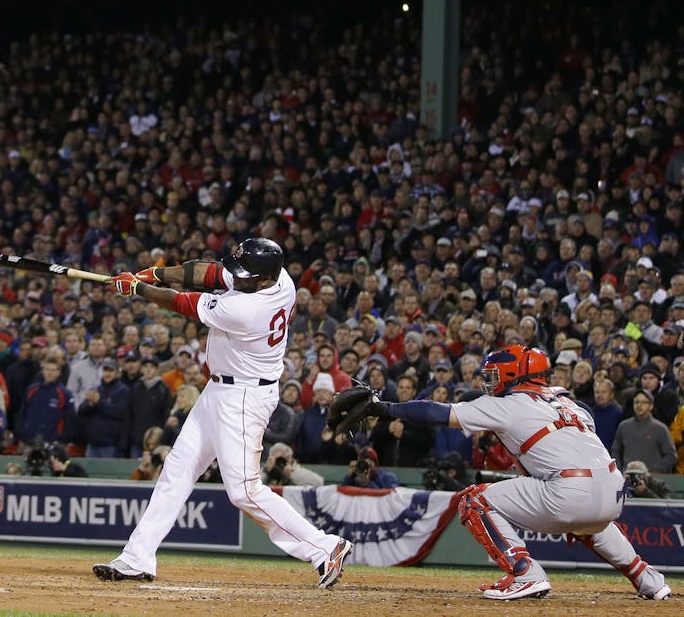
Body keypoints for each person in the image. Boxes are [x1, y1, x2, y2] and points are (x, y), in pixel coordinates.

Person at [93, 240, 353, 590]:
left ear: (262, 279)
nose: (235, 276)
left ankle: (324, 547)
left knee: (244, 491)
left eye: (244, 274)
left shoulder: (247, 309)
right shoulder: (278, 280)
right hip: (220, 389)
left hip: (244, 397)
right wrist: (153, 272)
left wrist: (138, 288)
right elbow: (207, 271)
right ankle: (137, 556)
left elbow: (181, 301)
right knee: (178, 469)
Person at [361, 344, 671, 600]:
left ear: (513, 374)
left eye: (494, 375)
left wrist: (384, 408)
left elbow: (433, 411)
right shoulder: (567, 401)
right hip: (613, 492)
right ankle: (647, 578)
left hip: (570, 491)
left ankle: (524, 571)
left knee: (473, 500)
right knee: (590, 521)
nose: (490, 381)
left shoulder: (509, 404)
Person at [611, 389, 676, 473]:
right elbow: (616, 451)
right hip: (627, 478)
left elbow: (671, 456)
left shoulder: (660, 428)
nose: (639, 405)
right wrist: (619, 471)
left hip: (652, 480)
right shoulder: (623, 426)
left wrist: (655, 471)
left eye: (644, 402)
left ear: (651, 405)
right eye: (636, 402)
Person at [78, 358, 130, 458]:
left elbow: (119, 412)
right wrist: (90, 405)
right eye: (105, 370)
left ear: (117, 373)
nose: (108, 373)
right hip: (92, 442)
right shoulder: (96, 389)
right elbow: (81, 411)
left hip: (110, 444)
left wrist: (99, 402)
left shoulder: (123, 390)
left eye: (111, 370)